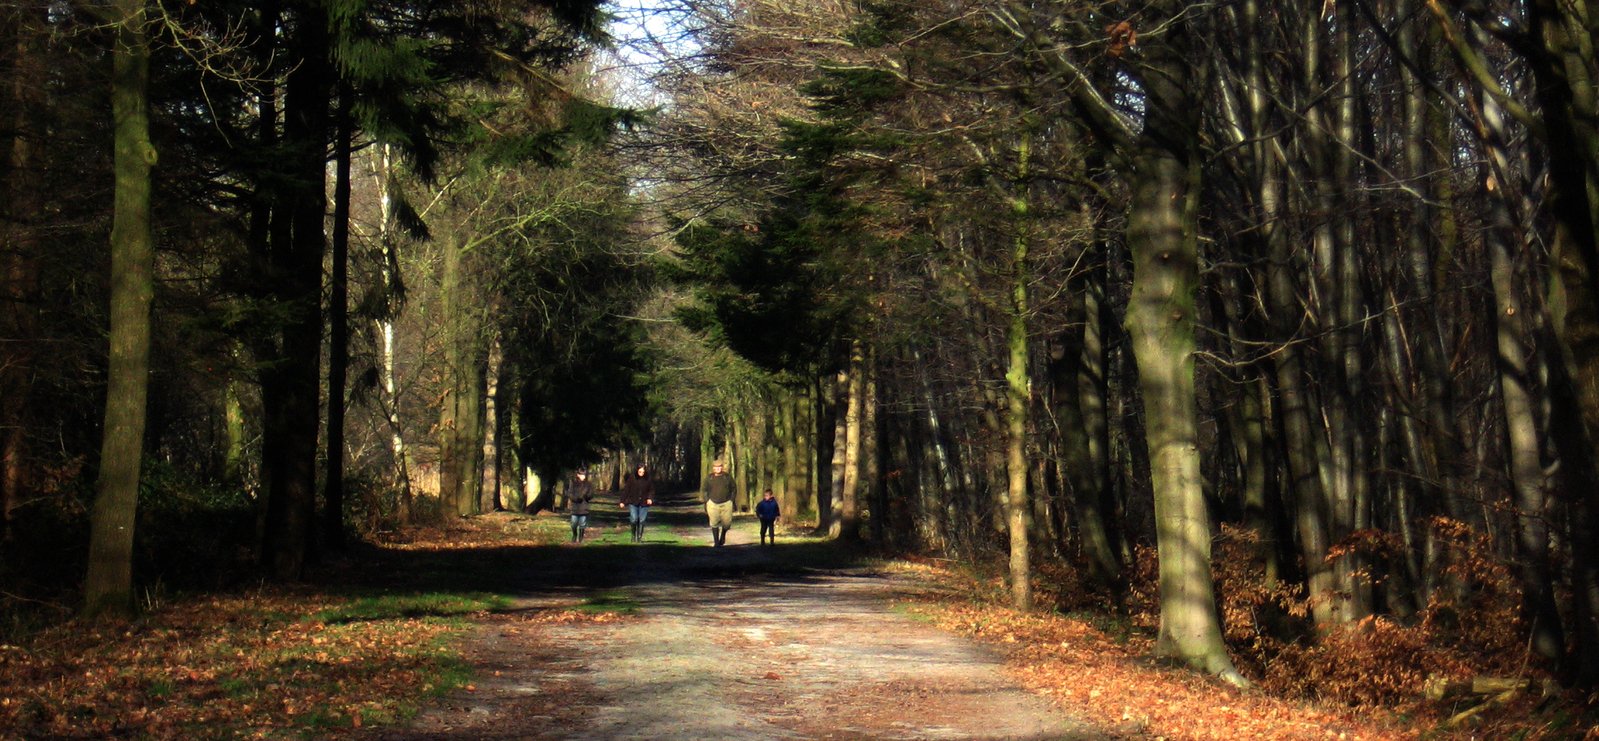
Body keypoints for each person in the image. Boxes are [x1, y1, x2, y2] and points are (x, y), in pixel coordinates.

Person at [618, 463, 655, 542]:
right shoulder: (632, 478)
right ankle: (633, 535)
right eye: (640, 471)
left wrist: (650, 498)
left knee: (642, 520)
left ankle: (639, 537)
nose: (642, 472)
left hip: (644, 503)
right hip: (633, 502)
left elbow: (651, 490)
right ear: (637, 470)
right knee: (634, 519)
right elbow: (626, 490)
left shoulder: (648, 479)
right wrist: (622, 501)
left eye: (643, 471)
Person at [702, 460, 735, 547]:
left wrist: (731, 499)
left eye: (719, 467)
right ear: (713, 468)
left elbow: (733, 488)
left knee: (727, 523)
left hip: (726, 503)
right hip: (712, 503)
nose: (718, 468)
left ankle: (723, 535)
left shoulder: (727, 477)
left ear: (722, 467)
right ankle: (716, 542)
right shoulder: (709, 478)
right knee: (714, 523)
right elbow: (704, 490)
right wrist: (707, 500)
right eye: (716, 467)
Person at [567, 468, 594, 543]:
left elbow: (591, 494)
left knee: (582, 523)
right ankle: (574, 534)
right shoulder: (573, 483)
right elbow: (569, 493)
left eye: (584, 475)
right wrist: (575, 498)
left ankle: (581, 537)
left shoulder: (588, 484)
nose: (583, 476)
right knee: (573, 523)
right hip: (575, 507)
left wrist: (586, 496)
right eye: (582, 475)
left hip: (584, 507)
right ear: (578, 475)